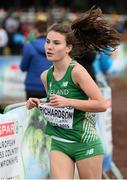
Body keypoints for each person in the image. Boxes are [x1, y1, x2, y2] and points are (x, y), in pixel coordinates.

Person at [26, 6, 120, 179]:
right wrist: (39, 102)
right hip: (59, 143)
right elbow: (54, 102)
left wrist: (68, 102)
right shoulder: (45, 76)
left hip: (85, 143)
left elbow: (101, 104)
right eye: (47, 41)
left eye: (56, 43)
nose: (49, 47)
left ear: (68, 47)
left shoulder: (77, 71)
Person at [20, 20, 52, 100]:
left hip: (32, 86)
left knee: (31, 112)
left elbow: (23, 67)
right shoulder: (53, 46)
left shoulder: (29, 45)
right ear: (47, 31)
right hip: (49, 85)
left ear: (35, 31)